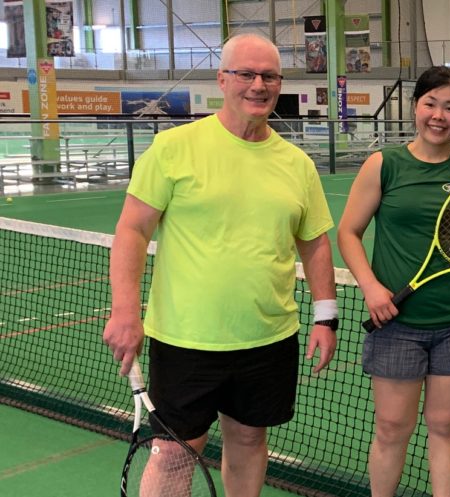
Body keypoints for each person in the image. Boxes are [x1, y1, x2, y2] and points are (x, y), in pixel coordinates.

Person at [102, 33, 338, 496]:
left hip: (268, 337)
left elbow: (314, 242)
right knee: (173, 452)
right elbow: (131, 230)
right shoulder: (174, 149)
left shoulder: (296, 164)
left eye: (269, 75)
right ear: (222, 79)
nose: (258, 85)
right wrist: (125, 311)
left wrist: (326, 316)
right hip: (185, 339)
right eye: (246, 74)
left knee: (249, 438)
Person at [336, 66, 450, 497]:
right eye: (430, 104)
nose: (439, 115)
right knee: (391, 428)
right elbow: (348, 233)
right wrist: (370, 287)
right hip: (397, 323)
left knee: (444, 425)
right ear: (416, 107)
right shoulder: (384, 164)